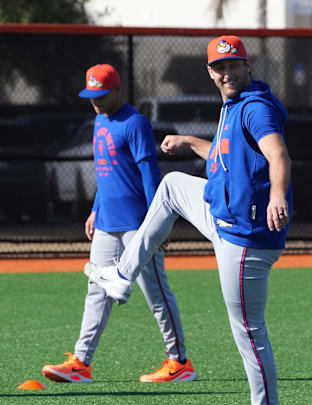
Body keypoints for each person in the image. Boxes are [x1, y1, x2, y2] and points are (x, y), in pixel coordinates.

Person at [83, 36, 292, 405]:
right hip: (223, 217)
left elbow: (277, 154)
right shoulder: (233, 104)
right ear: (210, 72)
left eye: (234, 65)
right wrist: (190, 141)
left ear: (248, 66)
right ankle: (120, 276)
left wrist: (277, 195)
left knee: (249, 332)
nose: (227, 72)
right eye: (220, 67)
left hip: (246, 239)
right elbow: (224, 158)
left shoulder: (255, 108)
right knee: (172, 185)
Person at [42, 64, 196, 383]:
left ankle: (179, 362)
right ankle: (81, 363)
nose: (96, 101)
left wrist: (160, 220)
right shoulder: (99, 120)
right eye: (91, 95)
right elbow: (104, 171)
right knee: (97, 289)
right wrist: (95, 209)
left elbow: (150, 175)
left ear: (117, 90)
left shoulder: (135, 122)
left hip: (139, 225)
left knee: (156, 294)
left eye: (101, 95)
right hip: (107, 224)